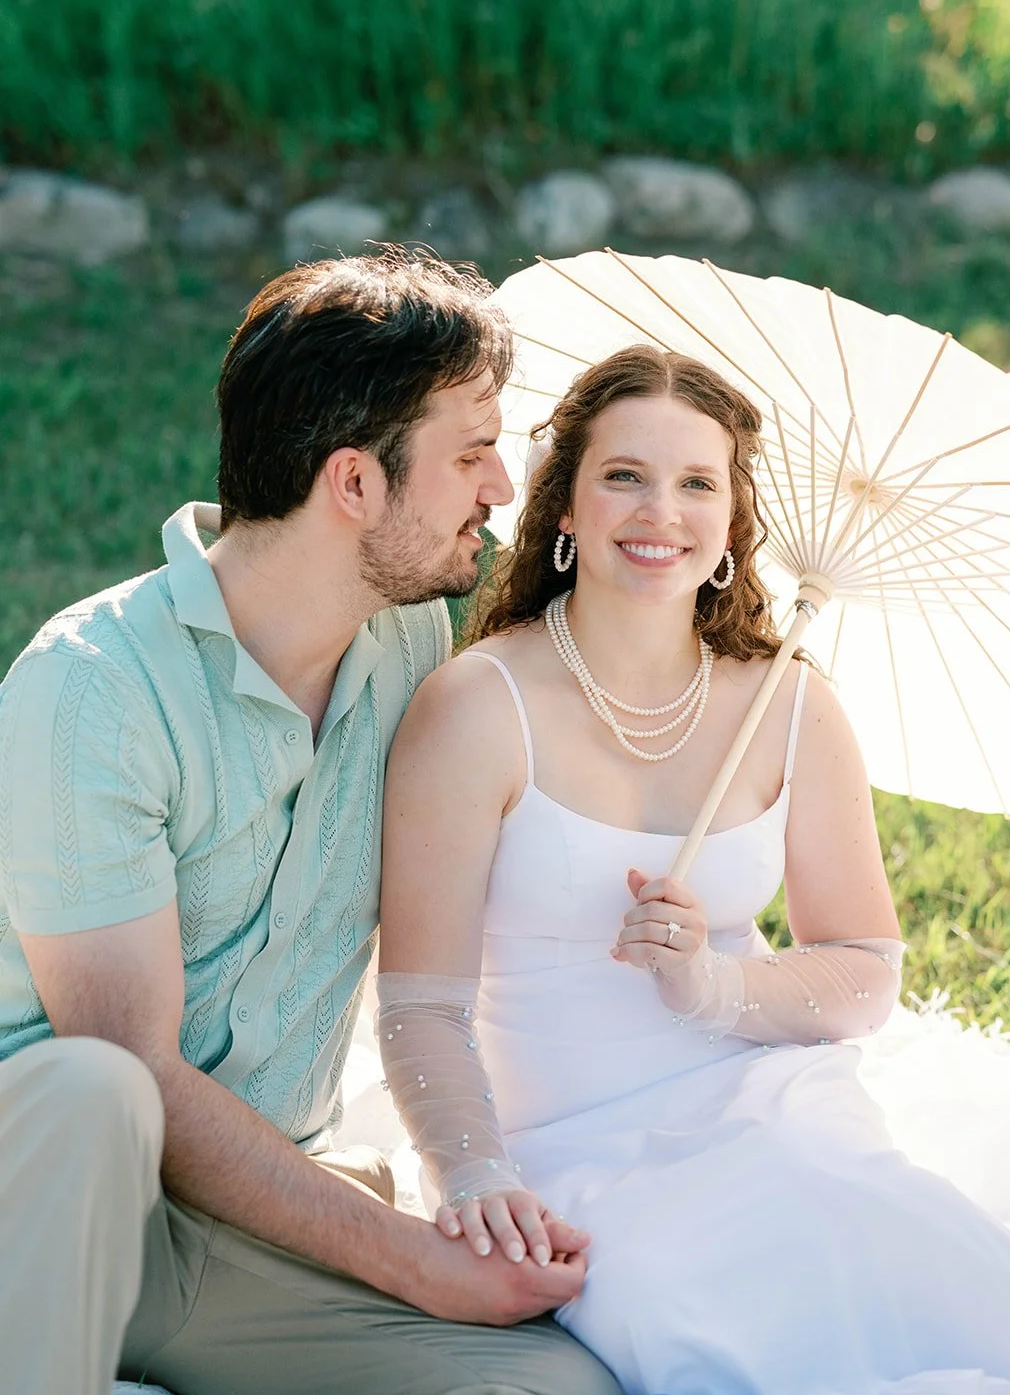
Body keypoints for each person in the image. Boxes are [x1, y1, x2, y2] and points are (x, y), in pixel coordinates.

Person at [376, 344, 1010, 1394]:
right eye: (624, 474)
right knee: (696, 1312)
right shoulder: (477, 707)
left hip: (770, 1099)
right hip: (563, 1146)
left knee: (891, 1243)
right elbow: (418, 1006)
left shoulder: (791, 705)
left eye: (696, 483)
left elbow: (864, 971)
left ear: (731, 524)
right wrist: (475, 1172)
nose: (657, 511)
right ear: (566, 507)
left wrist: (715, 984)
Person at [0, 250, 620, 1395]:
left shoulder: (405, 647)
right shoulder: (90, 689)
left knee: (551, 1388)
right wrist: (419, 1266)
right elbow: (129, 1067)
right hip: (40, 1206)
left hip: (240, 1216)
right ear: (354, 484)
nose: (499, 487)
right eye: (472, 452)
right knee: (97, 1091)